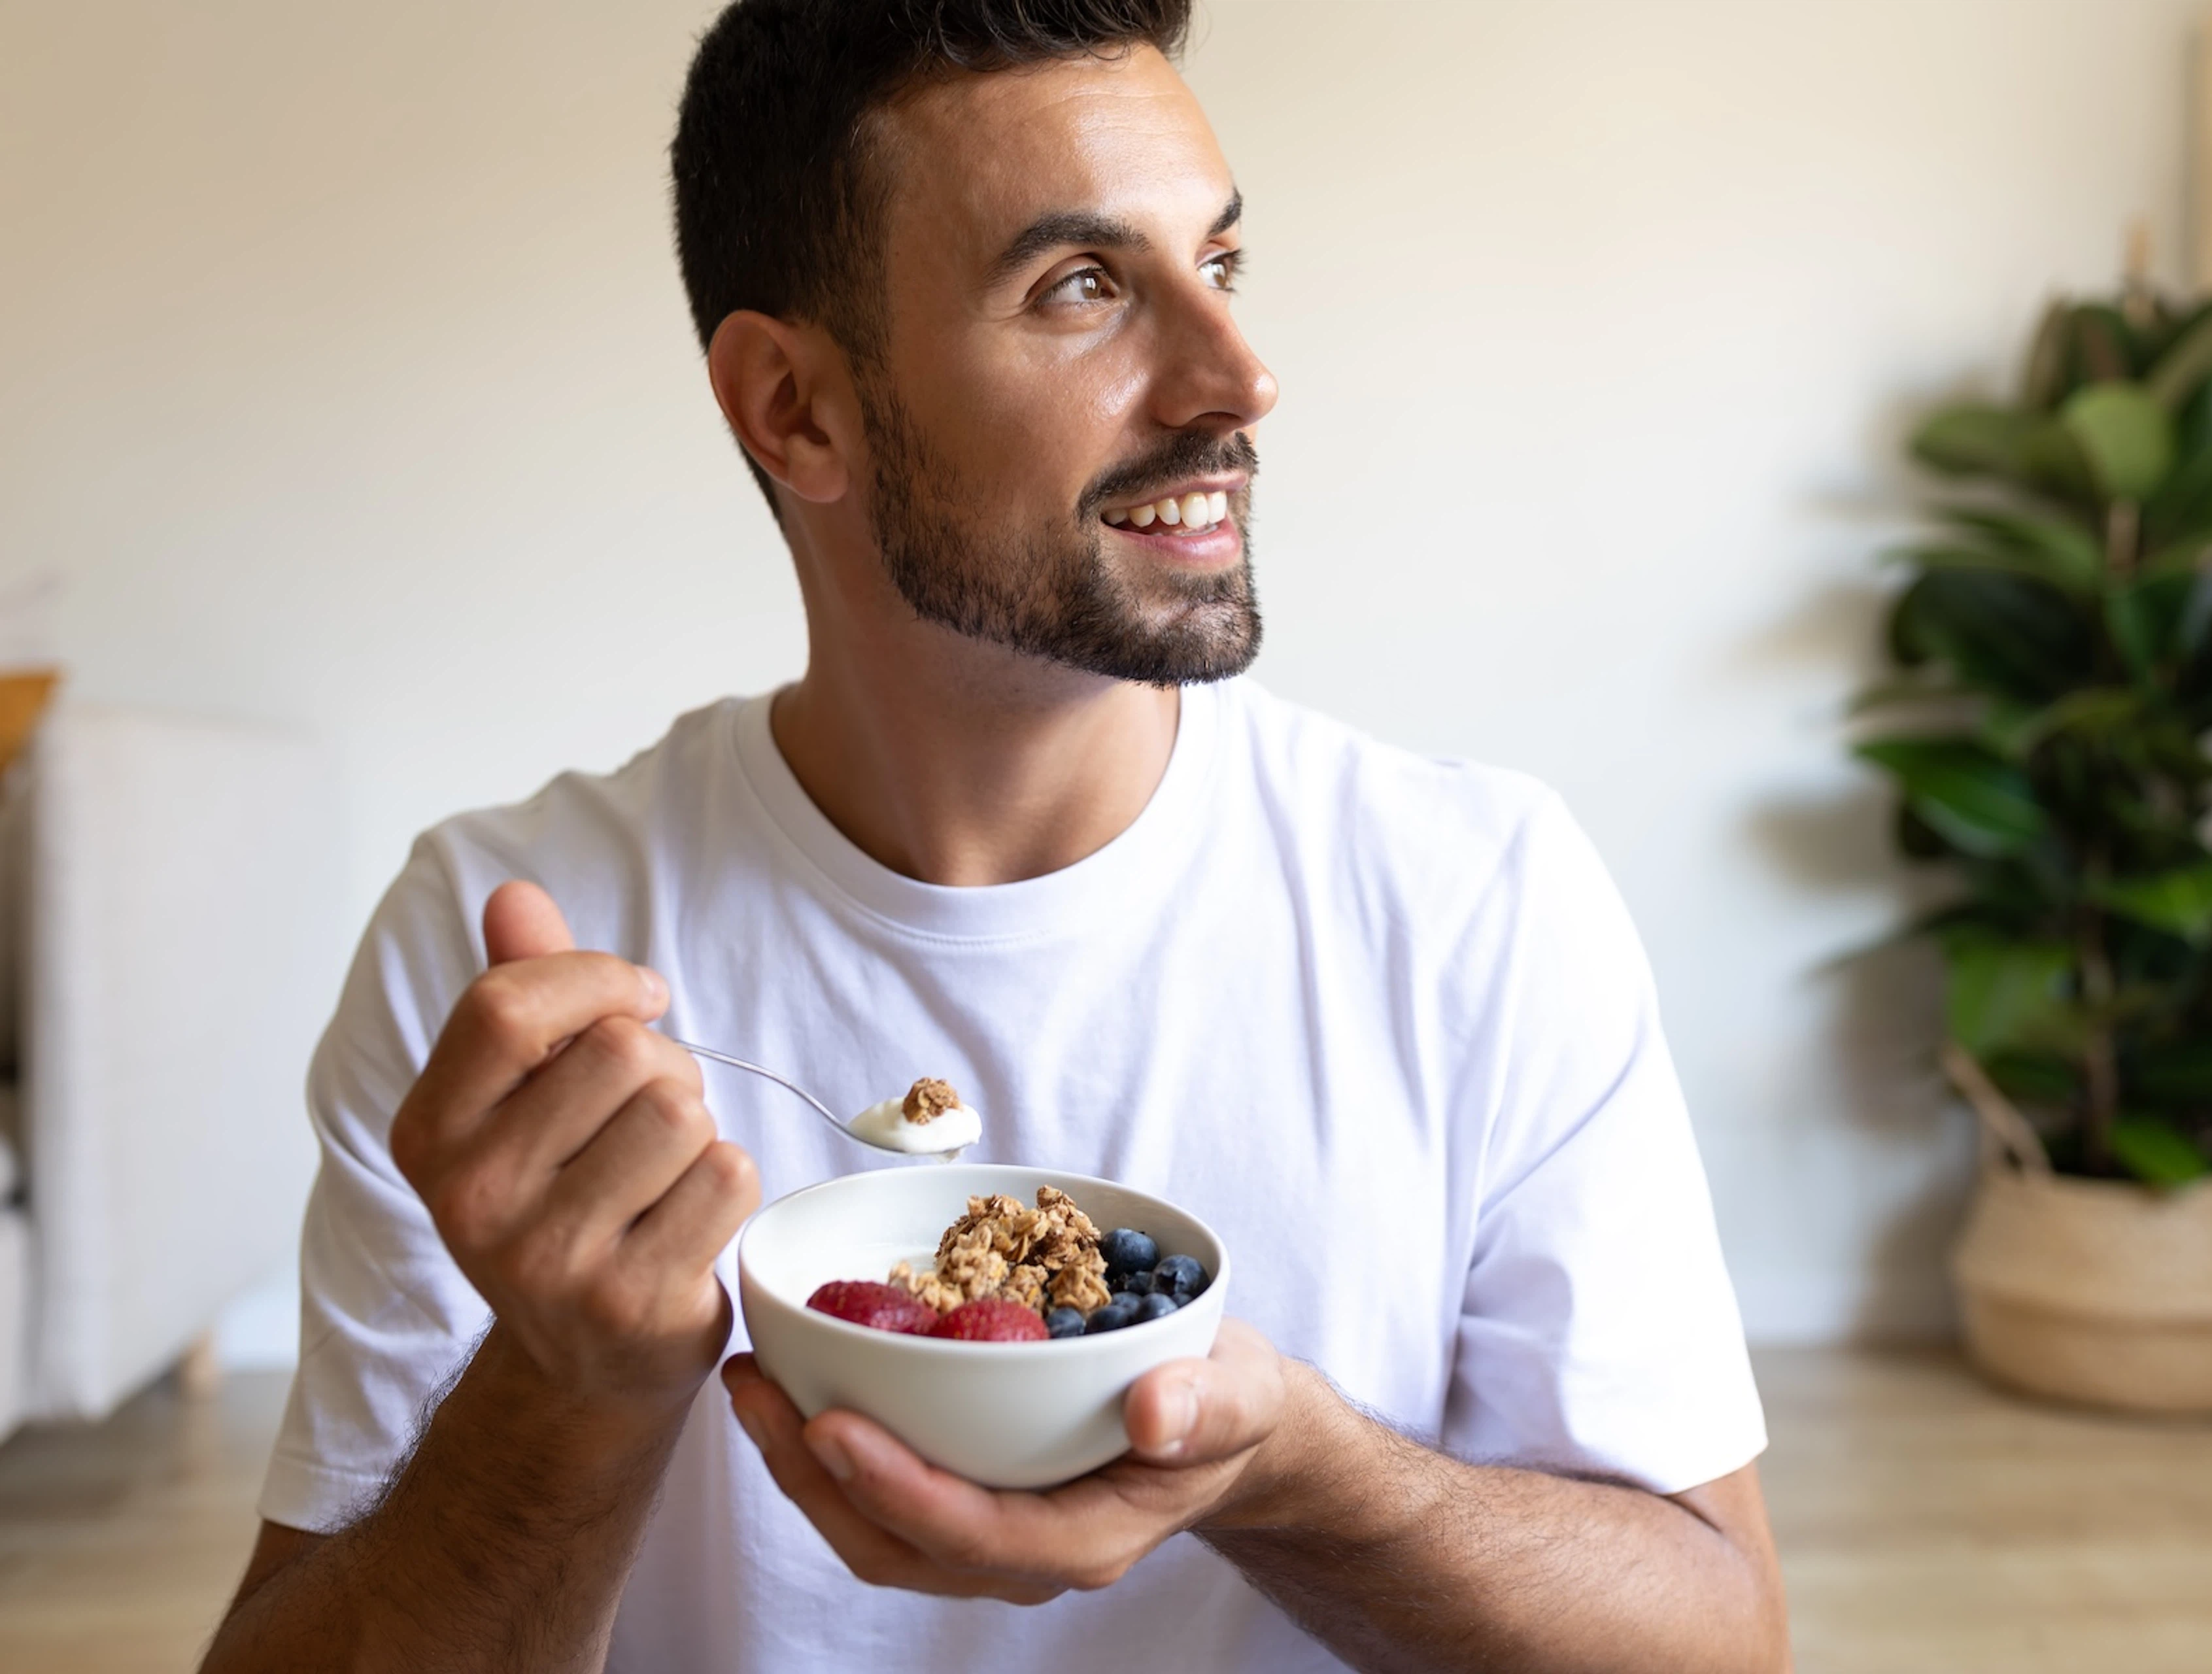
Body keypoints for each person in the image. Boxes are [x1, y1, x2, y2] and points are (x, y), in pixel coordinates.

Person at [201, 2, 1788, 1669]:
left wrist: (1298, 1473)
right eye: (1083, 287)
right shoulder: (522, 958)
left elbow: (1722, 1639)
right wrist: (561, 1394)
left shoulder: (1475, 901)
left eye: (1220, 265)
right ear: (795, 406)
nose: (1238, 376)